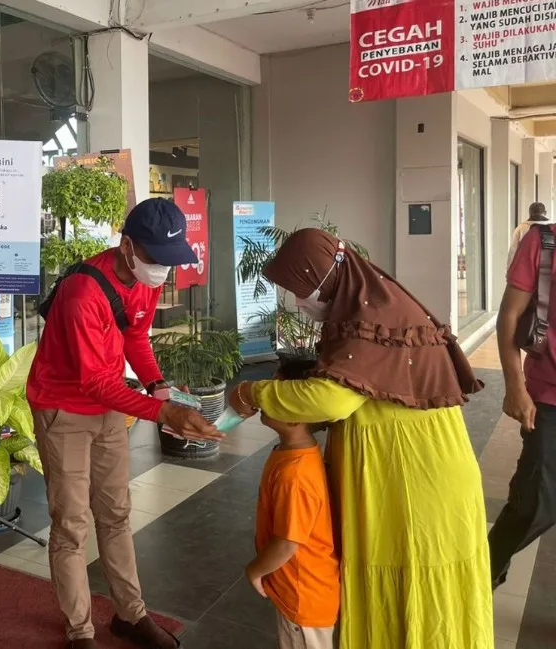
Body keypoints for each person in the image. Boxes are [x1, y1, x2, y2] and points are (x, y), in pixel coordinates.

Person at [228, 228, 492, 649]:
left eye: (300, 290)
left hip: (416, 486)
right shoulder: (370, 307)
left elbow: (331, 399)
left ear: (323, 278)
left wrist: (250, 393)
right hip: (407, 473)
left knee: (416, 590)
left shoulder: (374, 317)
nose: (298, 301)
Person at [26, 197, 223, 649]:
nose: (162, 269)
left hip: (108, 408)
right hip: (63, 411)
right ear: (127, 245)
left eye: (169, 259)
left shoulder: (145, 279)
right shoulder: (82, 293)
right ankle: (80, 632)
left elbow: (134, 334)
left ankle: (130, 615)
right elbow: (93, 381)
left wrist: (158, 386)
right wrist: (164, 412)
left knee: (115, 513)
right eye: (155, 257)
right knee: (71, 523)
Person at [490, 222, 556, 588]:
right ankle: (478, 578)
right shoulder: (543, 242)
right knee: (531, 505)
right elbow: (510, 315)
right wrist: (515, 387)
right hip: (549, 396)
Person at [246, 413, 338, 649]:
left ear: (295, 419)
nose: (264, 403)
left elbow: (287, 542)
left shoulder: (295, 474)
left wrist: (255, 570)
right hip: (297, 586)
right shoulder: (291, 453)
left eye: (275, 400)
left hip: (302, 594)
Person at [508, 202, 549, 267]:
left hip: (526, 266)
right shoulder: (552, 227)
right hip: (547, 267)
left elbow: (513, 250)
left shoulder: (521, 228)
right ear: (545, 213)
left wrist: (509, 268)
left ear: (529, 213)